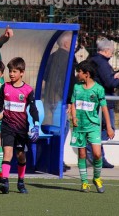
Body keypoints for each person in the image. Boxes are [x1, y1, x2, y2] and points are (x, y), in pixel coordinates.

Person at [0, 57, 39, 194]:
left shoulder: (28, 90)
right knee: (7, 152)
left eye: (14, 71)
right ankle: (4, 181)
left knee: (21, 155)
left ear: (22, 72)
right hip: (7, 127)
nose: (11, 74)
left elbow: (33, 109)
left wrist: (36, 124)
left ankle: (21, 182)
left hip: (22, 129)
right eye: (10, 71)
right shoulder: (5, 87)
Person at [70, 60, 115, 193]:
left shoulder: (98, 89)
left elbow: (104, 108)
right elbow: (73, 103)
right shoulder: (77, 87)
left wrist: (109, 127)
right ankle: (84, 182)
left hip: (93, 126)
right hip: (79, 127)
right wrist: (73, 117)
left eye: (79, 72)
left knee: (97, 153)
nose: (77, 74)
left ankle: (97, 178)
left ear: (87, 74)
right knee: (82, 154)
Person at [86, 38, 119, 168]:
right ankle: (90, 145)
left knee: (100, 128)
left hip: (97, 100)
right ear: (106, 51)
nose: (112, 54)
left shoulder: (94, 60)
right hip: (103, 102)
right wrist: (118, 79)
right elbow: (109, 83)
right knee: (109, 130)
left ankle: (99, 158)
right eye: (111, 52)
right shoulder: (101, 63)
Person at [43, 31, 77, 171]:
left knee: (52, 128)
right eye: (73, 43)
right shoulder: (68, 59)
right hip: (61, 99)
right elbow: (69, 82)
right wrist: (69, 100)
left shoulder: (51, 57)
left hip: (49, 98)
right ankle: (57, 160)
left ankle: (50, 159)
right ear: (66, 43)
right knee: (62, 127)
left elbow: (45, 78)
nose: (75, 46)